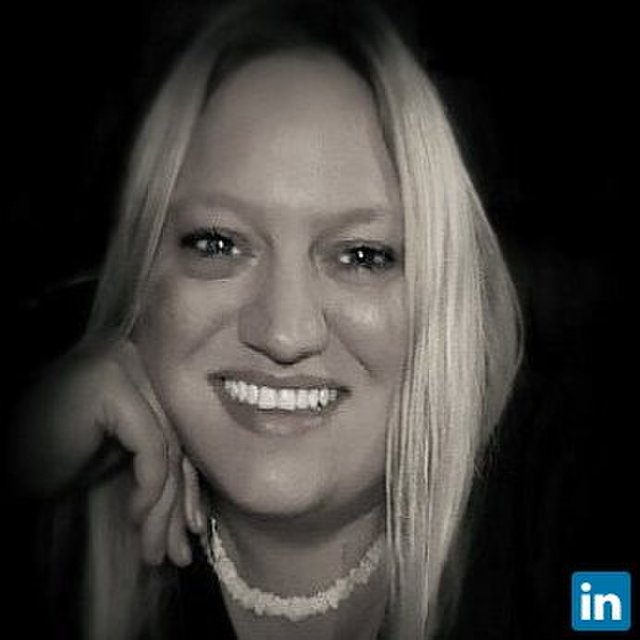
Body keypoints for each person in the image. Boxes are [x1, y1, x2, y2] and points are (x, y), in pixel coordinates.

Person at [8, 1, 522, 638]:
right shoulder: (47, 552)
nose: (284, 333)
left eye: (362, 256)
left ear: (444, 302)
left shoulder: (560, 524)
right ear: (143, 282)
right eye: (218, 244)